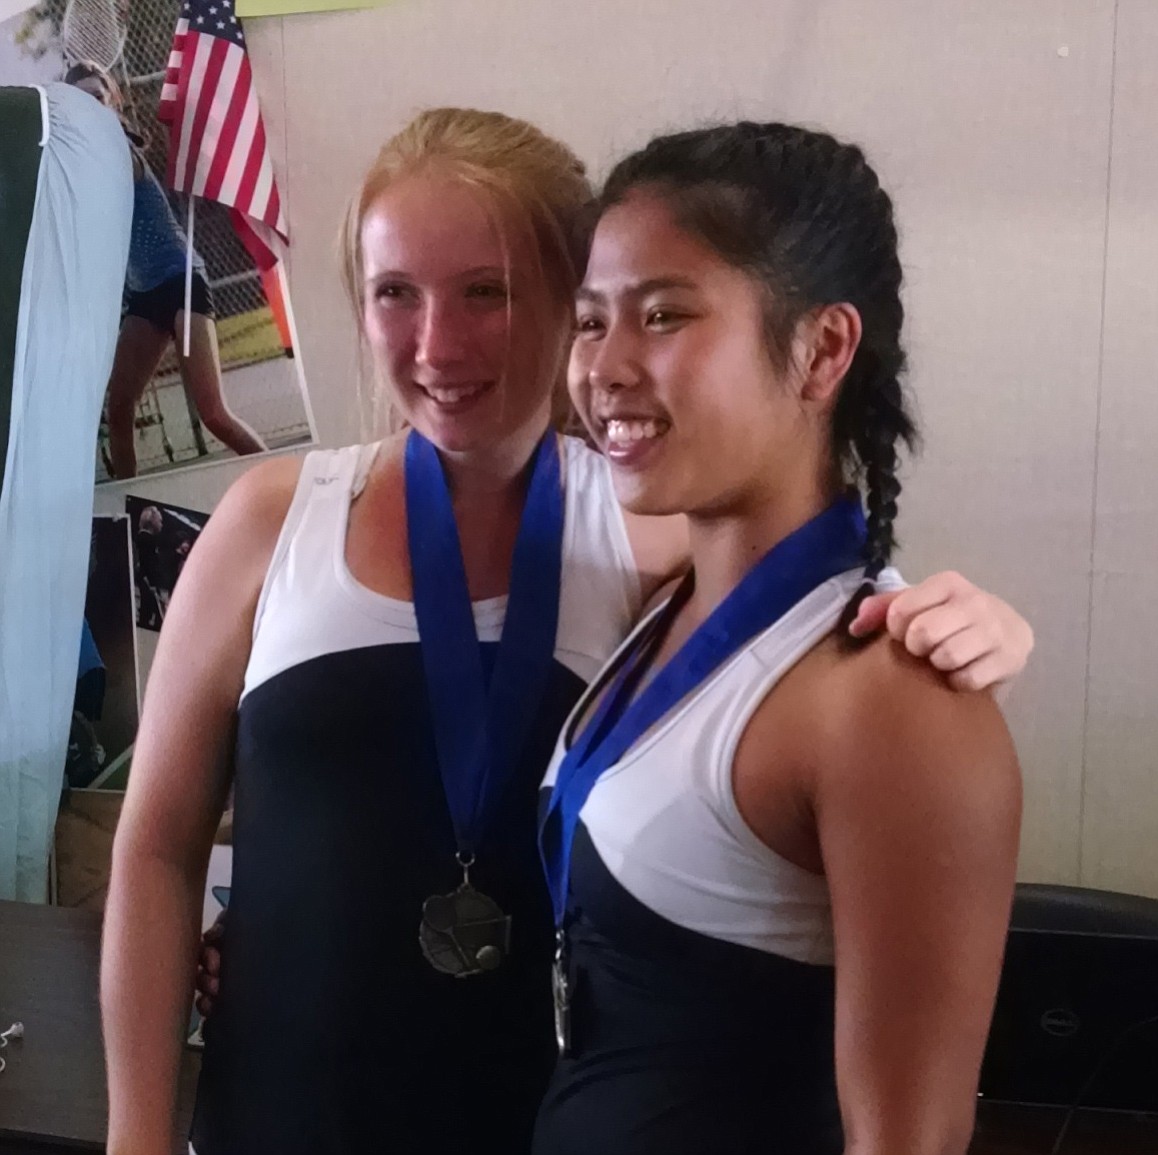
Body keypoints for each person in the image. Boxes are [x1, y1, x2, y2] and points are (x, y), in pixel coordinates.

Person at [102, 108, 1031, 1155]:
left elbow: (802, 598)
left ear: (556, 300)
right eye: (393, 293)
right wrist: (135, 1131)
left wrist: (956, 617)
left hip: (523, 1104)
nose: (437, 343)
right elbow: (156, 850)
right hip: (283, 1110)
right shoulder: (273, 520)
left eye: (489, 293)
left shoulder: (652, 531)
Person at [534, 122, 1023, 1155]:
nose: (603, 367)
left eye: (663, 315)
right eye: (589, 321)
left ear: (821, 349)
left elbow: (913, 1139)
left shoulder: (887, 703)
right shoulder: (670, 597)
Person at [64, 62, 267, 479]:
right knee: (119, 410)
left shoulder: (120, 151)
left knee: (213, 414)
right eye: (80, 100)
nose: (91, 105)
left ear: (113, 100)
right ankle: (134, 511)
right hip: (145, 294)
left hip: (181, 282)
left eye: (96, 96)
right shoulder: (85, 159)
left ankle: (285, 483)